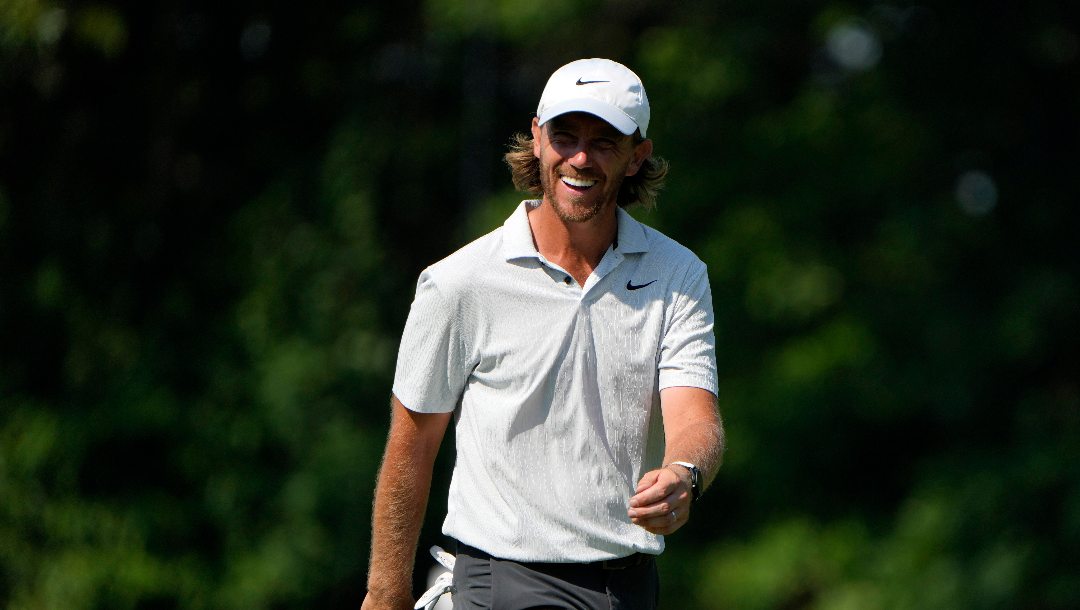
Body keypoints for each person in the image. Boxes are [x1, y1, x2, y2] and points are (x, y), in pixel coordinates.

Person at [362, 58, 725, 610]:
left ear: (637, 158)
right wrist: (385, 595)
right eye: (565, 136)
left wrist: (685, 473)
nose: (580, 158)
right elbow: (412, 445)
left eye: (605, 142)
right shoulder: (460, 282)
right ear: (536, 138)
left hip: (631, 586)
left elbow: (696, 418)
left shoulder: (678, 275)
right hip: (503, 582)